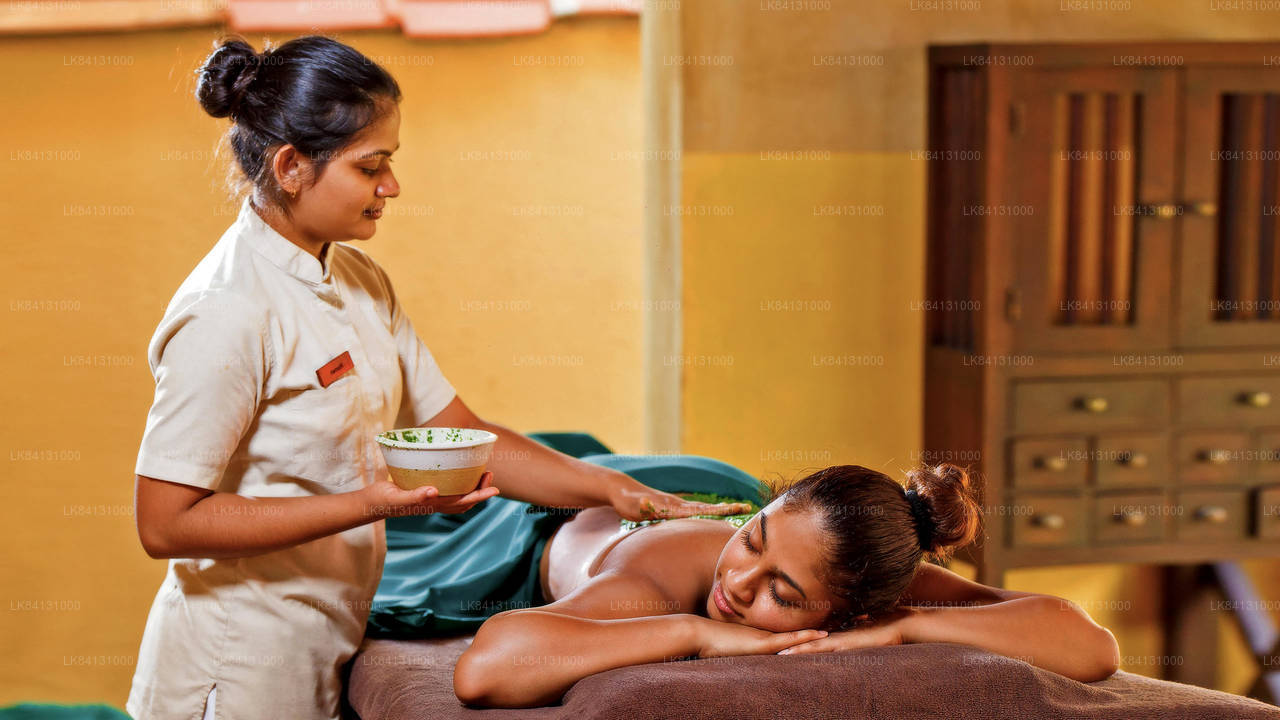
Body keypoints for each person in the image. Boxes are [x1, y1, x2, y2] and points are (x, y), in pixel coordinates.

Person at [127, 34, 748, 720]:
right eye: (371, 167)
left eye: (389, 162)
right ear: (291, 166)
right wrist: (373, 503)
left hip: (324, 641)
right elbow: (166, 523)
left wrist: (613, 490)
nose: (391, 186)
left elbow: (462, 432)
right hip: (235, 664)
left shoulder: (359, 279)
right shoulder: (225, 310)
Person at [454, 463, 1123, 708]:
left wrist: (910, 624)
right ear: (762, 513)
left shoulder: (863, 568)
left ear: (851, 613)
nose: (738, 583)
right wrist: (694, 632)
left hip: (745, 506)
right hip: (538, 525)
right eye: (752, 540)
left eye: (784, 593)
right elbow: (487, 670)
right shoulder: (659, 576)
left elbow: (1091, 645)